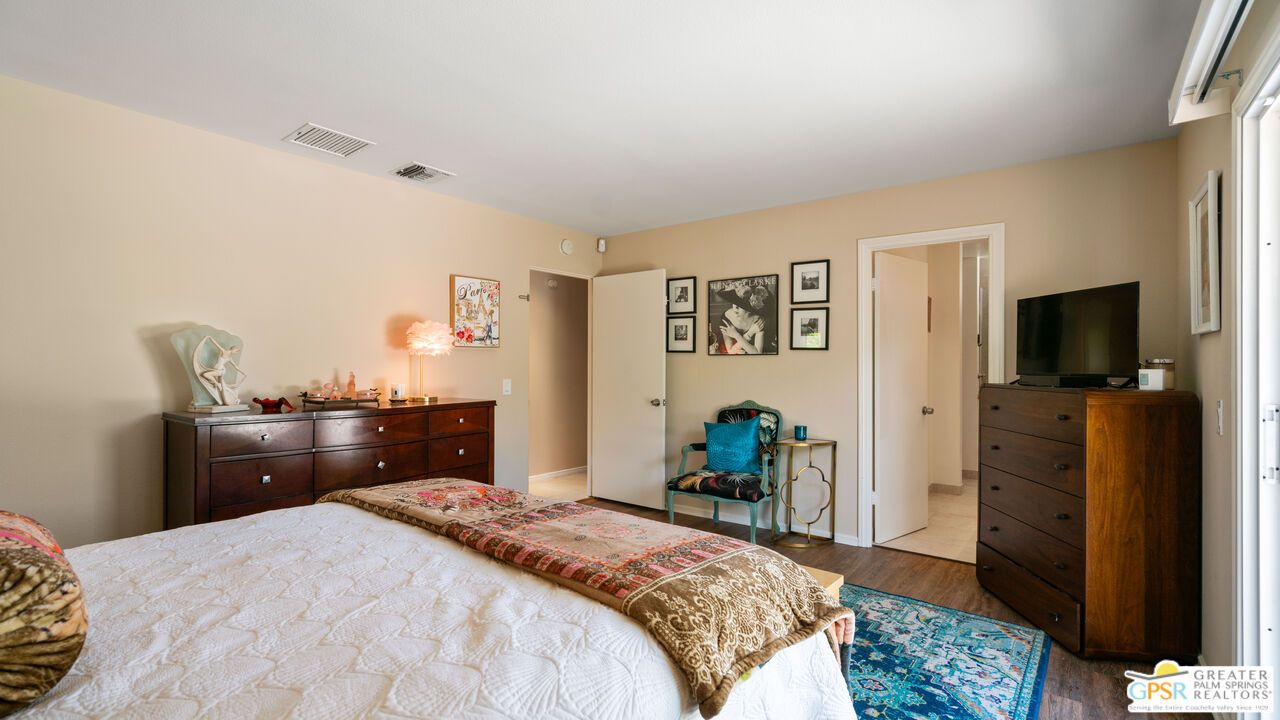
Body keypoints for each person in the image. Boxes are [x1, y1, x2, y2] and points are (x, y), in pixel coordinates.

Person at [710, 282, 776, 354]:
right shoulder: (726, 318)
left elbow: (757, 353)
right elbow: (730, 351)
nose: (735, 307)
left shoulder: (759, 320)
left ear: (751, 310)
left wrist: (737, 336)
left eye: (741, 306)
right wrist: (749, 333)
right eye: (734, 302)